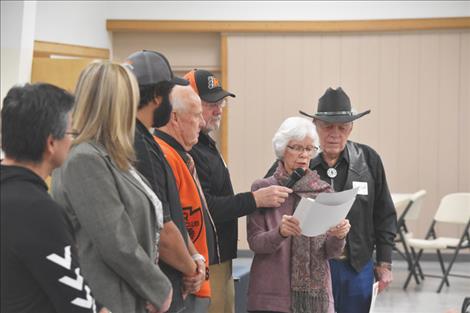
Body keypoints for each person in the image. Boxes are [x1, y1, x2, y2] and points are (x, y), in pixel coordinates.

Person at [51, 61, 172, 313]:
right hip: (111, 298)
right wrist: (159, 288)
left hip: (128, 293)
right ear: (118, 105)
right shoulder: (85, 159)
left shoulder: (109, 155)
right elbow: (116, 241)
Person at [185, 69, 292, 313]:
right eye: (211, 103)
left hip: (219, 255)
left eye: (220, 102)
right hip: (207, 258)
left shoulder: (204, 143)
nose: (218, 109)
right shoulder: (191, 150)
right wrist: (254, 200)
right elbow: (207, 208)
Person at [0, 83, 109, 313]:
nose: (72, 140)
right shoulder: (37, 211)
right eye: (71, 132)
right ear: (51, 143)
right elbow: (80, 305)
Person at [298, 87, 397, 313]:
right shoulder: (299, 158)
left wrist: (384, 262)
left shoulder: (369, 159)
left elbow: (385, 214)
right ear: (315, 125)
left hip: (357, 267)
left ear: (351, 128)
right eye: (328, 126)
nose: (335, 134)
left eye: (342, 127)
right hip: (312, 268)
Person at [126, 50, 205, 313]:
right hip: (162, 292)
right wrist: (192, 268)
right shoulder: (140, 147)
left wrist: (193, 256)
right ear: (158, 98)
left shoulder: (146, 140)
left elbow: (175, 218)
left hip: (170, 284)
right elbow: (163, 227)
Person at [247, 117, 351, 313]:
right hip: (270, 297)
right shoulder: (264, 189)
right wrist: (280, 232)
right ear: (282, 149)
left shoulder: (324, 192)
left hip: (316, 301)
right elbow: (255, 243)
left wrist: (339, 236)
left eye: (310, 149)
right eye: (297, 148)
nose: (304, 155)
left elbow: (331, 252)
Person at [154, 84, 213, 313]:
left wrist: (197, 261)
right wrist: (192, 268)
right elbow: (167, 227)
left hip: (192, 276)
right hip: (180, 283)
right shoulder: (164, 155)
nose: (202, 123)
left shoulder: (180, 155)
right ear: (175, 118)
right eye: (197, 115)